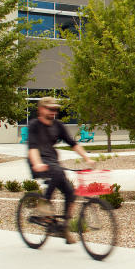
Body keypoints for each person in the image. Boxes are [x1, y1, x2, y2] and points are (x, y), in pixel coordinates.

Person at [27, 96, 94, 243]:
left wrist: (87, 158)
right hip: (38, 161)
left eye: (55, 109)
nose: (53, 112)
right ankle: (43, 208)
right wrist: (37, 163)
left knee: (71, 192)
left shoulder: (58, 125)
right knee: (58, 172)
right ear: (41, 109)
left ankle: (64, 227)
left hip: (52, 161)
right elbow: (32, 148)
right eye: (50, 109)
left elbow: (73, 143)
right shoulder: (34, 125)